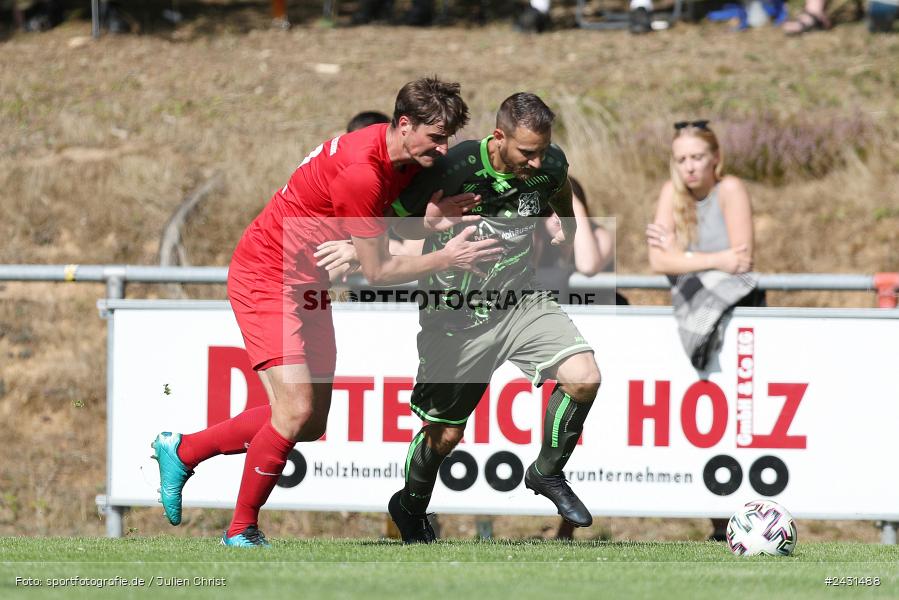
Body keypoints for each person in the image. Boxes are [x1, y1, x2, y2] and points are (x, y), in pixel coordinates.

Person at [150, 77, 504, 548]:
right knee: (294, 410)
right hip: (267, 275)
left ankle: (184, 449)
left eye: (447, 140)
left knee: (310, 421)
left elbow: (371, 229)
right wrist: (446, 256)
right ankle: (240, 531)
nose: (441, 150)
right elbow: (377, 271)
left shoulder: (398, 159)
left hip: (306, 281)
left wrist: (429, 222)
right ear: (403, 125)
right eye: (435, 138)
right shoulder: (364, 171)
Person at [321, 93, 602, 543]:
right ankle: (410, 504)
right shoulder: (453, 166)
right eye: (526, 152)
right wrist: (368, 244)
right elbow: (389, 217)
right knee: (445, 435)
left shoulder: (549, 163)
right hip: (454, 312)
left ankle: (547, 473)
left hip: (519, 301)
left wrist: (561, 222)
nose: (536, 160)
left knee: (584, 375)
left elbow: (559, 187)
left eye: (542, 150)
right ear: (498, 137)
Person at [646, 120, 761, 541]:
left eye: (697, 157)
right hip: (693, 315)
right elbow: (659, 263)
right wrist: (713, 258)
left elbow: (742, 261)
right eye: (681, 159)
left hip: (739, 311)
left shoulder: (730, 190)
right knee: (705, 417)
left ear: (715, 158)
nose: (690, 167)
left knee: (743, 415)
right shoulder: (669, 195)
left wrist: (686, 255)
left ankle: (749, 513)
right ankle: (717, 520)